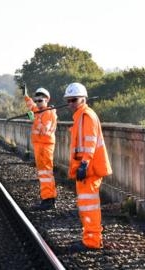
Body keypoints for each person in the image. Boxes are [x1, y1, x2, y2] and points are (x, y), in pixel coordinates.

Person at [64, 82, 112, 251]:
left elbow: (90, 143)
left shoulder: (86, 116)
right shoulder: (80, 116)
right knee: (86, 206)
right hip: (85, 169)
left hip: (89, 170)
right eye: (68, 100)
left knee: (89, 206)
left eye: (73, 100)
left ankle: (92, 241)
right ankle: (90, 238)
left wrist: (84, 164)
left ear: (83, 99)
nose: (70, 103)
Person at [24, 87, 58, 210]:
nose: (37, 103)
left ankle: (48, 199)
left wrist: (34, 120)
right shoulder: (38, 110)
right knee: (43, 173)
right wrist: (26, 95)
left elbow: (44, 130)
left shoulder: (49, 113)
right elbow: (31, 106)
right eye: (36, 100)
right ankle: (48, 198)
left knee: (46, 173)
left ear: (47, 100)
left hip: (45, 146)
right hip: (39, 145)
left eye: (40, 100)